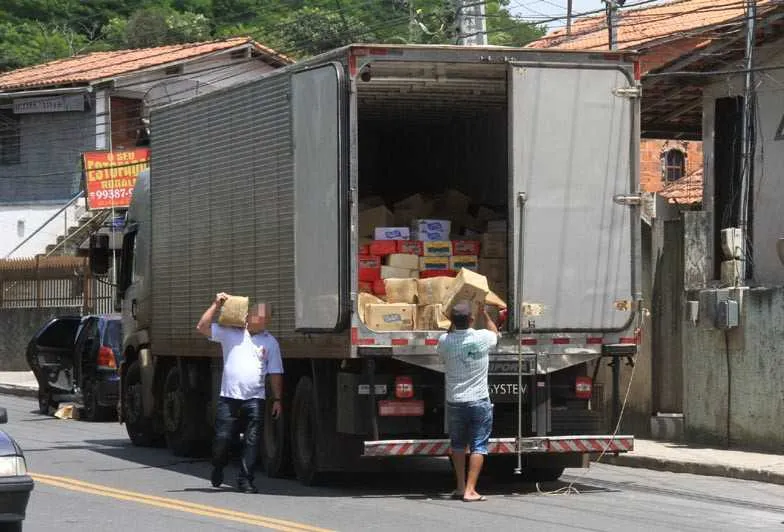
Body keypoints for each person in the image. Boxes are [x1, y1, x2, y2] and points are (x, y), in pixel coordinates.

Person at [196, 293, 284, 494]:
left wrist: (277, 399)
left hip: (255, 399)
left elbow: (275, 372)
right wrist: (216, 305)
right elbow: (202, 327)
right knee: (222, 439)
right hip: (229, 398)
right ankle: (218, 465)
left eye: (263, 318)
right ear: (249, 314)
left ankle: (246, 480)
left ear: (266, 322)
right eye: (256, 315)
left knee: (252, 441)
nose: (258, 319)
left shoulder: (270, 342)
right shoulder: (231, 333)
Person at [437, 301, 499, 502]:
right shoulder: (483, 337)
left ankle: (460, 486)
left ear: (453, 321)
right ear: (471, 319)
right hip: (479, 400)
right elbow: (495, 332)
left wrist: (451, 325)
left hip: (455, 401)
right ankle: (471, 490)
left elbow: (445, 342)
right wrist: (485, 314)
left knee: (457, 445)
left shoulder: (444, 341)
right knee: (478, 446)